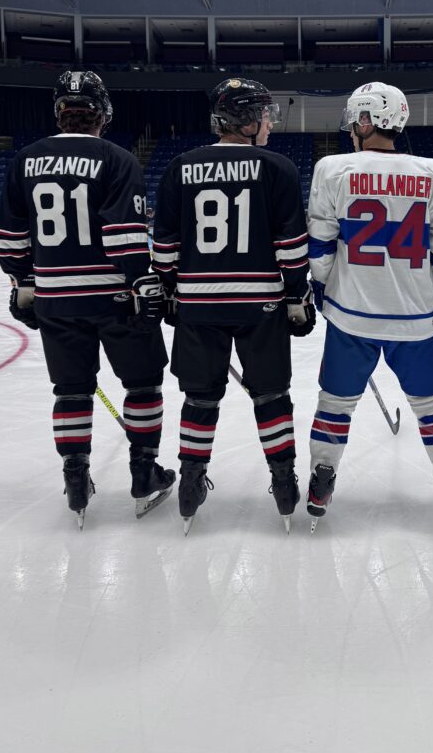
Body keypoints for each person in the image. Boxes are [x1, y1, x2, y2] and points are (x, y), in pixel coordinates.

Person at [0, 71, 173, 529]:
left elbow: (9, 237)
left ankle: (76, 479)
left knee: (71, 390)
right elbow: (125, 236)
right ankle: (143, 473)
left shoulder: (25, 160)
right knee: (144, 384)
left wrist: (24, 284)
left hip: (56, 298)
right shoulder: (116, 159)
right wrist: (142, 283)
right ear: (103, 114)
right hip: (114, 297)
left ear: (59, 111)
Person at [152, 77, 315, 535]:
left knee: (200, 399)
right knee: (272, 397)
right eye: (264, 114)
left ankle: (189, 482)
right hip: (260, 303)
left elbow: (163, 247)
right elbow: (291, 247)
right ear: (245, 120)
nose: (269, 123)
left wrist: (169, 289)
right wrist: (297, 294)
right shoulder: (277, 167)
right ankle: (284, 484)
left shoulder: (180, 167)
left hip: (199, 306)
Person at [306, 82, 433, 533]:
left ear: (364, 120)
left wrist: (321, 288)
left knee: (335, 403)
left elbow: (320, 246)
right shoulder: (431, 171)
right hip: (415, 316)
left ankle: (322, 476)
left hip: (350, 314)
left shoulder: (332, 168)